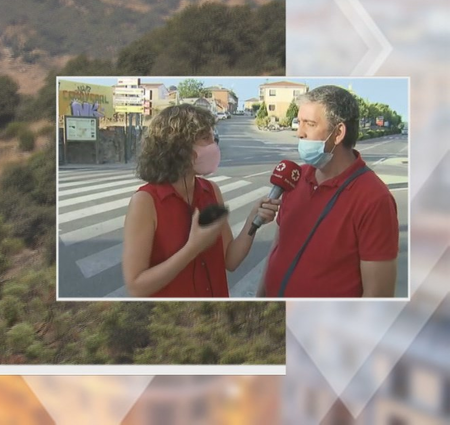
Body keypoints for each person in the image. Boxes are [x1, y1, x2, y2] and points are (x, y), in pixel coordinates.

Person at [122, 104, 279, 297]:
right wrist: (193, 248)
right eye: (206, 138)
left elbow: (230, 260)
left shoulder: (211, 191)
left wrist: (253, 220)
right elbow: (136, 286)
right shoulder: (146, 201)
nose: (214, 143)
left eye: (213, 136)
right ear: (178, 146)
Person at [258, 85, 399, 297]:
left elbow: (378, 294)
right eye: (299, 122)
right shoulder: (295, 177)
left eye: (310, 124)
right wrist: (261, 296)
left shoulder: (374, 198)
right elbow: (277, 248)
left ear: (338, 133)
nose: (299, 132)